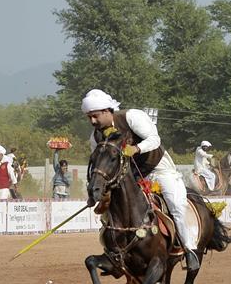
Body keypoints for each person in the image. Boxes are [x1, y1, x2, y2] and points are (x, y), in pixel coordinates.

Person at [81, 89, 202, 272]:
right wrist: (96, 192)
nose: (92, 121)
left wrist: (136, 149)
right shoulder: (95, 137)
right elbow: (99, 163)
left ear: (107, 111)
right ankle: (115, 254)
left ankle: (190, 249)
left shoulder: (131, 117)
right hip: (130, 177)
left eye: (95, 116)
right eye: (88, 117)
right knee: (109, 212)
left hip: (159, 168)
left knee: (176, 205)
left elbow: (155, 139)